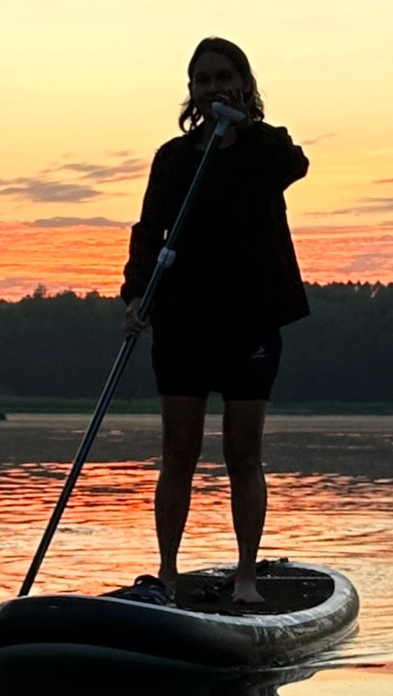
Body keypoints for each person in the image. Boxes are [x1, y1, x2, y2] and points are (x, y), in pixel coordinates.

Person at [118, 37, 309, 611]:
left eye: (223, 76)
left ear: (243, 83)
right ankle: (168, 574)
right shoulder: (174, 158)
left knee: (241, 452)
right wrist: (135, 295)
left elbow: (294, 164)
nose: (212, 87)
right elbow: (149, 229)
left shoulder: (263, 149)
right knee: (178, 449)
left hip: (249, 319)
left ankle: (247, 574)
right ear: (191, 91)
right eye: (202, 80)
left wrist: (241, 127)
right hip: (182, 319)